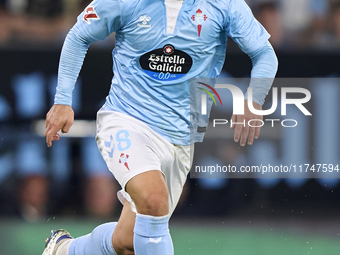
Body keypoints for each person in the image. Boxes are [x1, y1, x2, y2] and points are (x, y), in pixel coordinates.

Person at [43, 0, 278, 254]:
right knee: (154, 200)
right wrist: (63, 101)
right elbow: (79, 35)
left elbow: (264, 53)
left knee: (128, 241)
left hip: (181, 137)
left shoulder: (225, 4)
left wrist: (254, 100)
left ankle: (64, 250)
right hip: (127, 119)